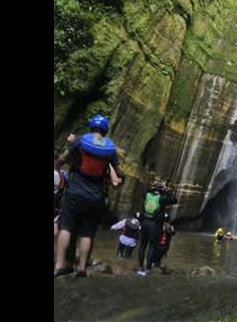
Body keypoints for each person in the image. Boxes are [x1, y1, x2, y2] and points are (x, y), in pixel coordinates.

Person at [55, 114, 122, 278]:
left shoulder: (80, 141)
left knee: (66, 227)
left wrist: (60, 165)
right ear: (105, 130)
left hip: (74, 193)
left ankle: (59, 265)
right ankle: (82, 268)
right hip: (95, 197)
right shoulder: (110, 149)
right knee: (87, 232)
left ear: (91, 126)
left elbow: (63, 159)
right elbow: (119, 172)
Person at [137, 179, 178, 276]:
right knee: (152, 246)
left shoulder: (147, 194)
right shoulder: (163, 197)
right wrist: (166, 190)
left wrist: (155, 186)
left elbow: (146, 190)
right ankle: (147, 269)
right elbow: (174, 200)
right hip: (155, 224)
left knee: (142, 245)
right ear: (162, 189)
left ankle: (140, 267)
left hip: (144, 222)